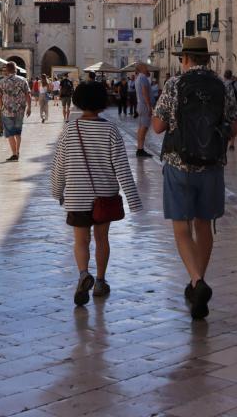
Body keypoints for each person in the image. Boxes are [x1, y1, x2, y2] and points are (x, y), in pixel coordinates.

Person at [152, 37, 237, 320]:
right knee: (205, 225)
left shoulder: (174, 85)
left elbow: (157, 126)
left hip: (180, 165)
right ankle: (197, 282)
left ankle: (196, 281)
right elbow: (234, 126)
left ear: (186, 59)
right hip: (212, 166)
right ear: (207, 59)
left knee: (181, 228)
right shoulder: (222, 86)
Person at [51, 81, 144, 306]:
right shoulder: (110, 130)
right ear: (103, 103)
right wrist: (133, 201)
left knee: (81, 240)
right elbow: (122, 166)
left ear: (78, 102)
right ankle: (100, 282)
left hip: (76, 195)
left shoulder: (69, 129)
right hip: (105, 195)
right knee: (102, 238)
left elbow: (59, 165)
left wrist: (57, 191)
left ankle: (84, 275)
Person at [0, 63, 32, 161]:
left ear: (7, 70)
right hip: (20, 110)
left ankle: (14, 154)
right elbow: (28, 94)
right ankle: (17, 151)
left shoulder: (2, 81)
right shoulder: (23, 80)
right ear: (16, 70)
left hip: (7, 111)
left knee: (10, 133)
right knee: (18, 133)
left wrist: (0, 107)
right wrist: (29, 108)